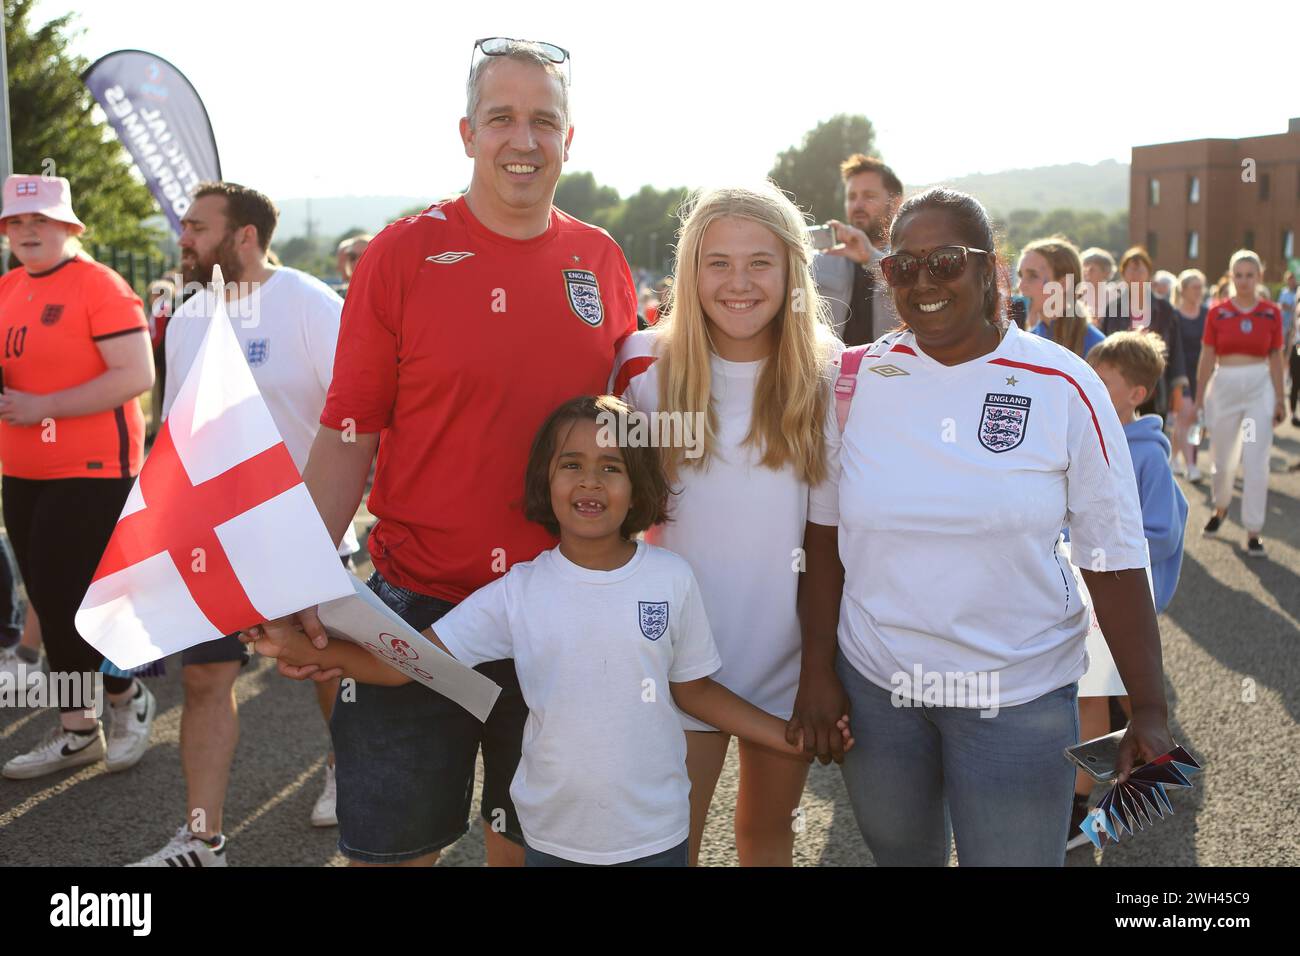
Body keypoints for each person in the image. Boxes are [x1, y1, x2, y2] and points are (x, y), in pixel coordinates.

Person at [252, 38, 639, 868]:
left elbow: (632, 441)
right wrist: (294, 578)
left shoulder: (600, 260)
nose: (524, 140)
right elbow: (348, 433)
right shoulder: (402, 253)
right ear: (467, 132)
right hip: (413, 610)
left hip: (561, 614)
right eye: (502, 118)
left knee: (529, 849)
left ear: (571, 139)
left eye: (545, 120)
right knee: (392, 855)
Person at [248, 395, 852, 866]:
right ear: (547, 480)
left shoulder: (672, 579)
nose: (590, 482)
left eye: (611, 467)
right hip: (553, 840)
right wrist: (307, 648)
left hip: (658, 836)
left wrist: (790, 738)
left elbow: (695, 692)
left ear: (638, 485)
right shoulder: (519, 591)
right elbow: (411, 663)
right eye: (572, 465)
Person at [790, 187, 1174, 865]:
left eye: (944, 262)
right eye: (902, 267)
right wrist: (818, 670)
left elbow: (1112, 553)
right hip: (880, 690)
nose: (922, 283)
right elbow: (822, 541)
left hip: (1018, 694)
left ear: (988, 268)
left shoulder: (1064, 383)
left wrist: (1146, 704)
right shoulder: (853, 379)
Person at [128, 182, 362, 867]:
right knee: (204, 682)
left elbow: (359, 419)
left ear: (245, 238)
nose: (185, 238)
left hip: (304, 530)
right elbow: (175, 435)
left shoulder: (309, 304)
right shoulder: (191, 316)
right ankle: (202, 839)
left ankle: (345, 769)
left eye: (199, 226)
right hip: (212, 539)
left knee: (323, 667)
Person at [611, 183, 840, 866]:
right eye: (718, 262)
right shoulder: (644, 366)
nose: (739, 282)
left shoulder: (832, 373)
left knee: (767, 835)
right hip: (674, 659)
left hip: (788, 658)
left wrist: (820, 669)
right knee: (666, 840)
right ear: (690, 270)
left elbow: (828, 539)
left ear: (793, 271)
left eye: (760, 262)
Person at [0, 174, 158, 779]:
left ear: (70, 228)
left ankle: (124, 697)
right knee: (46, 597)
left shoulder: (101, 284)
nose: (28, 231)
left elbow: (136, 374)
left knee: (71, 603)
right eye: (17, 221)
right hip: (23, 468)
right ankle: (78, 731)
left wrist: (47, 407)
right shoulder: (10, 287)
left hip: (92, 471)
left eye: (41, 220)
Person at [1195, 249, 1286, 557]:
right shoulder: (1217, 312)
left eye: (1250, 275)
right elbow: (1207, 356)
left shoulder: (1271, 312)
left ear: (1259, 277)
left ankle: (1253, 530)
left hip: (1258, 389)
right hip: (1224, 389)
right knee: (1223, 460)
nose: (1244, 281)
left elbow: (1276, 357)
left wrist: (1280, 399)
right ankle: (1220, 508)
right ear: (1231, 276)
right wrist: (1198, 399)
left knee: (1255, 456)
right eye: (1239, 275)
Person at [814, 155, 903, 346]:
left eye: (869, 196)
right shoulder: (821, 260)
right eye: (852, 197)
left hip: (892, 372)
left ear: (895, 203)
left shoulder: (910, 260)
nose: (858, 205)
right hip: (830, 372)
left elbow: (913, 287)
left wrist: (872, 258)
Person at [1099, 247, 1187, 421]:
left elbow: (1176, 350)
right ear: (1123, 273)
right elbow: (1104, 346)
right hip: (1120, 384)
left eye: (1140, 269)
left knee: (1152, 434)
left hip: (1155, 384)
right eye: (1131, 268)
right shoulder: (1114, 308)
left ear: (1149, 274)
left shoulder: (1164, 309)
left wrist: (1178, 389)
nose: (1136, 274)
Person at [1015, 236, 1104, 358]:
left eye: (1033, 276)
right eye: (1020, 276)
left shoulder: (1096, 346)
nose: (1021, 285)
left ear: (1063, 284)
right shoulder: (1027, 342)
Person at [1171, 269, 1208, 479]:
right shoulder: (1174, 316)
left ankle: (1174, 456)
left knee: (1185, 421)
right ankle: (1192, 465)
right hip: (1180, 373)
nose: (1198, 291)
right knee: (1187, 417)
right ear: (1183, 290)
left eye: (1200, 287)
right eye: (1194, 287)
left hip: (1202, 374)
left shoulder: (1206, 313)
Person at [1080, 246, 1116, 322]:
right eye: (1084, 269)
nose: (1086, 273)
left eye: (1091, 270)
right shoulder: (1077, 296)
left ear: (1105, 272)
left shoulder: (1114, 296)